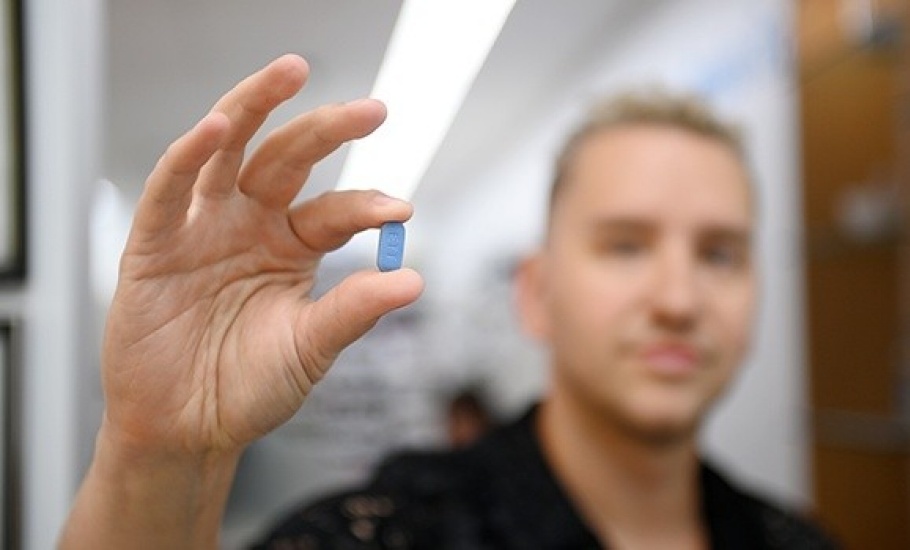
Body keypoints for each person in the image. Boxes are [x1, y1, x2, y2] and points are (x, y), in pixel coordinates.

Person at [58, 54, 838, 549]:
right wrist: (158, 457)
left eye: (720, 253)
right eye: (625, 245)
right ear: (535, 294)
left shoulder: (800, 539)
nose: (678, 298)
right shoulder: (395, 530)